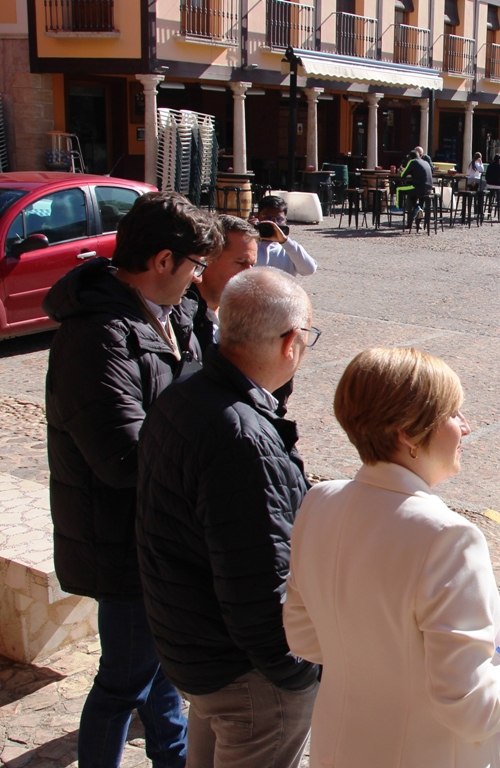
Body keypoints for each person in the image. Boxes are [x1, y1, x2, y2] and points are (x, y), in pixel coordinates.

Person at [283, 346, 500, 767]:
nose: (466, 426)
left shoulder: (320, 501)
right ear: (407, 433)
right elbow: (470, 706)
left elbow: (303, 637)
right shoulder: (448, 537)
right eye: (453, 413)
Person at [43, 191, 222, 768]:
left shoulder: (176, 314)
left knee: (162, 672)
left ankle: (173, 759)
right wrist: (206, 454)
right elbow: (122, 457)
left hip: (163, 534)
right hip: (121, 541)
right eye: (195, 265)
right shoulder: (96, 336)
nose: (199, 278)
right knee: (123, 680)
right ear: (163, 261)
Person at [135, 268, 321, 768]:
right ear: (290, 342)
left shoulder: (185, 393)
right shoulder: (242, 439)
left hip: (196, 650)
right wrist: (301, 673)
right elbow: (258, 586)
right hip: (248, 676)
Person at [188, 214, 258, 351]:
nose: (249, 274)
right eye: (240, 263)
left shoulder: (242, 316)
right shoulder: (176, 317)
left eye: (252, 265)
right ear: (206, 259)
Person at [251, 195, 318, 277]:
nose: (274, 222)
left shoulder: (289, 248)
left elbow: (309, 270)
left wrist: (285, 241)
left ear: (285, 220)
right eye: (268, 218)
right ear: (257, 217)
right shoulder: (250, 245)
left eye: (279, 219)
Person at [397, 150, 434, 220]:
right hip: (429, 189)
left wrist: (401, 170)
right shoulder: (425, 162)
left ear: (410, 157)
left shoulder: (412, 162)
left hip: (418, 188)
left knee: (399, 189)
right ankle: (417, 208)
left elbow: (402, 175)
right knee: (411, 195)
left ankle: (399, 208)